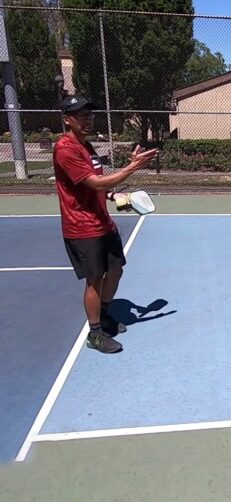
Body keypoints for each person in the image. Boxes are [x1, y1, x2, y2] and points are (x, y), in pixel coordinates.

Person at [54, 95, 158, 353]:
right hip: (82, 227)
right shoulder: (66, 149)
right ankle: (96, 333)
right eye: (81, 116)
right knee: (95, 280)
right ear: (68, 120)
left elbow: (99, 186)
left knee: (116, 271)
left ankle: (104, 313)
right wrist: (132, 168)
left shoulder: (87, 147)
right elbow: (96, 183)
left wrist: (114, 196)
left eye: (90, 115)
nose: (88, 120)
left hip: (102, 223)